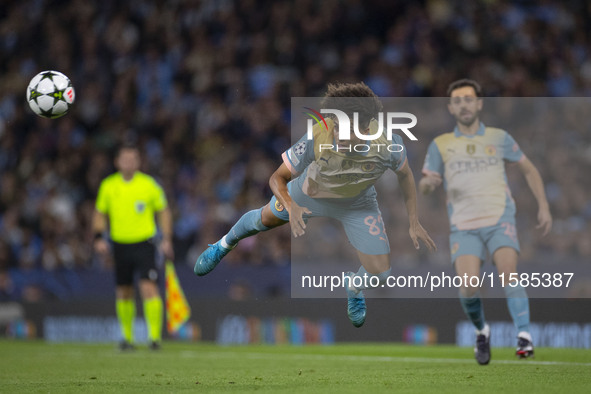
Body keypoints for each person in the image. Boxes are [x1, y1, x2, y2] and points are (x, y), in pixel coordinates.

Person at [194, 82, 436, 327]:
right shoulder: (319, 134)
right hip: (310, 194)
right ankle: (223, 245)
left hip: (357, 202)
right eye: (337, 125)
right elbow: (277, 178)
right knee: (263, 220)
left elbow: (405, 176)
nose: (339, 134)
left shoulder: (388, 144)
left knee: (382, 273)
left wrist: (414, 222)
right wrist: (291, 206)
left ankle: (354, 286)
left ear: (365, 128)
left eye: (347, 129)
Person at [419, 79, 552, 365]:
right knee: (468, 286)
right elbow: (424, 186)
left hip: (499, 218)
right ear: (450, 108)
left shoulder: (499, 137)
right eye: (457, 100)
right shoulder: (441, 145)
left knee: (508, 272)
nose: (464, 105)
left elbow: (529, 170)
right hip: (464, 226)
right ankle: (482, 331)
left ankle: (525, 336)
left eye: (469, 99)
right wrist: (429, 184)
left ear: (479, 104)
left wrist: (543, 205)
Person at [93, 144, 174, 351]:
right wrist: (99, 237)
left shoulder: (149, 185)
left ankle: (154, 339)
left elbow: (163, 211)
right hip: (119, 244)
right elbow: (100, 213)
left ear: (139, 162)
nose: (129, 163)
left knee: (148, 287)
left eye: (133, 159)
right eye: (125, 159)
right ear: (117, 162)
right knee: (124, 291)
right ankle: (126, 339)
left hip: (144, 243)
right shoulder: (108, 186)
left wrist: (166, 239)